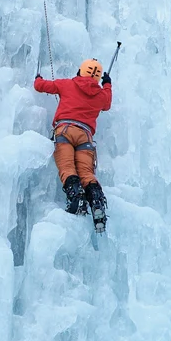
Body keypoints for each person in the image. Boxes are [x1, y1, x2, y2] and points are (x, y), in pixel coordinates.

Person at [34, 59, 112, 221]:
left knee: (67, 168)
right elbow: (107, 104)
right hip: (85, 137)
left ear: (80, 72)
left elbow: (40, 86)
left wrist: (38, 78)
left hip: (65, 131)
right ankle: (96, 202)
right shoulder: (101, 95)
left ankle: (77, 198)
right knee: (86, 173)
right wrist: (107, 84)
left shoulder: (67, 84)